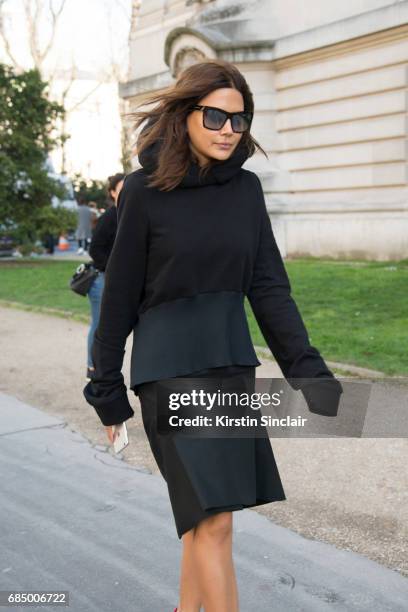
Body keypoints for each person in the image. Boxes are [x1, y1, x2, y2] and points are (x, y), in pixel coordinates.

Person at [83, 60, 343, 612]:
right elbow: (121, 297)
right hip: (169, 369)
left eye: (239, 118)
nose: (229, 128)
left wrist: (306, 367)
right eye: (216, 115)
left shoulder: (246, 192)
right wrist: (105, 388)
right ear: (186, 115)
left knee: (205, 520)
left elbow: (269, 288)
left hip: (228, 365)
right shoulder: (143, 191)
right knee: (215, 519)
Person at [85, 173, 124, 381]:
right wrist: (114, 268)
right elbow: (95, 249)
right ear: (112, 192)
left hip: (117, 281)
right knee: (100, 325)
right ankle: (92, 367)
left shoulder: (130, 213)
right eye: (121, 189)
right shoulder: (110, 217)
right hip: (102, 280)